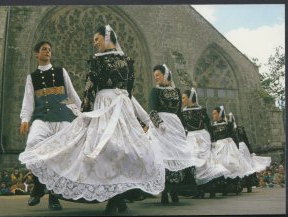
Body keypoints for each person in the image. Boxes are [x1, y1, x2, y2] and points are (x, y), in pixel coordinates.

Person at [19, 25, 165, 214]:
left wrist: (141, 117)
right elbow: (90, 90)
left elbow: (128, 92)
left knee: (125, 150)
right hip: (103, 107)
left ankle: (119, 196)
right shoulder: (95, 61)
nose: (94, 43)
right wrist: (85, 114)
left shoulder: (128, 61)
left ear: (106, 37)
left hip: (121, 109)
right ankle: (113, 198)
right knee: (107, 149)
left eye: (97, 39)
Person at [19, 41, 82, 210]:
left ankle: (53, 196)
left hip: (62, 118)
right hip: (42, 119)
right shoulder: (31, 77)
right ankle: (39, 186)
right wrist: (25, 120)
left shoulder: (61, 72)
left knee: (60, 155)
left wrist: (82, 115)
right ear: (36, 54)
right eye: (44, 49)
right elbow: (28, 101)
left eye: (49, 50)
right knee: (33, 144)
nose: (47, 52)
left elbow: (72, 96)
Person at [147, 64, 205, 204]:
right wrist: (159, 123)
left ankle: (174, 190)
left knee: (178, 155)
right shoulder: (155, 91)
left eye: (158, 75)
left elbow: (179, 112)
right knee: (163, 156)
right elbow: (152, 110)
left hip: (175, 125)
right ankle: (164, 192)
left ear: (165, 75)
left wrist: (182, 128)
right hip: (161, 126)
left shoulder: (176, 91)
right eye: (155, 76)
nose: (156, 78)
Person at [181, 88, 229, 198]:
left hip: (202, 136)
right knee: (195, 162)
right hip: (191, 137)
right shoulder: (182, 112)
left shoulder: (201, 110)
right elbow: (182, 127)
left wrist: (213, 139)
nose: (182, 100)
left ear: (190, 98)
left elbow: (208, 125)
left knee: (207, 162)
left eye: (184, 97)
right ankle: (199, 190)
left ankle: (211, 188)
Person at [211, 106, 254, 195]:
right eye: (213, 114)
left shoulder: (228, 124)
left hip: (228, 148)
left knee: (230, 164)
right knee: (220, 166)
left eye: (215, 113)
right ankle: (224, 187)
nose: (213, 115)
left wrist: (236, 150)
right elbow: (213, 138)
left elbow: (234, 137)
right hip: (218, 148)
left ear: (220, 114)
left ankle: (235, 185)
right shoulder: (213, 125)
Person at [228, 112, 271, 192]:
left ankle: (249, 184)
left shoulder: (240, 129)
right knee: (240, 165)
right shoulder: (229, 130)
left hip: (243, 148)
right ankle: (240, 184)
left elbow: (246, 140)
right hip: (235, 147)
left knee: (247, 165)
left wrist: (250, 151)